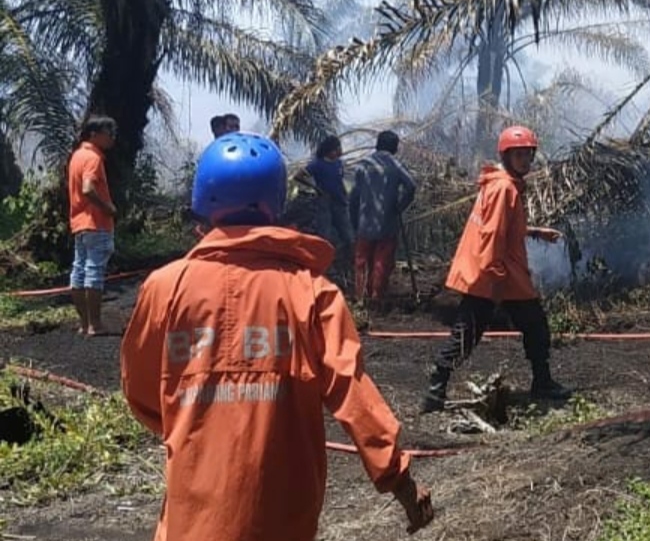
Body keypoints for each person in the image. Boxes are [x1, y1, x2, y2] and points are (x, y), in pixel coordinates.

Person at [119, 133, 434, 541]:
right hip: (283, 518)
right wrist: (402, 484)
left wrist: (197, 417)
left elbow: (142, 392)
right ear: (275, 203)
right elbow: (355, 398)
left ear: (203, 199)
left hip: (189, 520)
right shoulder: (312, 293)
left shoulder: (164, 288)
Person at [421, 125, 572, 413]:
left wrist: (535, 231)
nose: (525, 161)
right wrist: (497, 277)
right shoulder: (505, 188)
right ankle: (541, 382)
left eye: (528, 154)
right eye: (519, 155)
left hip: (489, 270)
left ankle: (436, 388)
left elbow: (504, 227)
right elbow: (492, 234)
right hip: (498, 273)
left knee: (475, 330)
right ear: (506, 155)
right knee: (527, 326)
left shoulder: (497, 183)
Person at [349, 130, 416, 305]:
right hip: (387, 222)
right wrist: (399, 207)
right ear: (395, 147)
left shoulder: (363, 164)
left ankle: (360, 299)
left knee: (361, 261)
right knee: (381, 262)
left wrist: (353, 219)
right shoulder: (395, 165)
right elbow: (411, 186)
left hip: (364, 222)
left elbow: (354, 196)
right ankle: (376, 299)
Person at [68, 115, 118, 337]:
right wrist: (107, 207)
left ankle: (84, 323)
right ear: (94, 134)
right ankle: (95, 324)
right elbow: (88, 188)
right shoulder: (93, 158)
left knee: (79, 271)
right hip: (96, 222)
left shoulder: (77, 156)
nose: (112, 138)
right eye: (109, 133)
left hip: (79, 223)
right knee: (94, 271)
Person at [293, 136, 353, 252]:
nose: (340, 151)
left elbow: (339, 181)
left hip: (340, 202)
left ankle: (346, 260)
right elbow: (298, 176)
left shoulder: (339, 163)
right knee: (324, 234)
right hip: (324, 202)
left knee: (347, 233)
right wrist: (315, 188)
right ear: (330, 150)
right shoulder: (317, 164)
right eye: (338, 148)